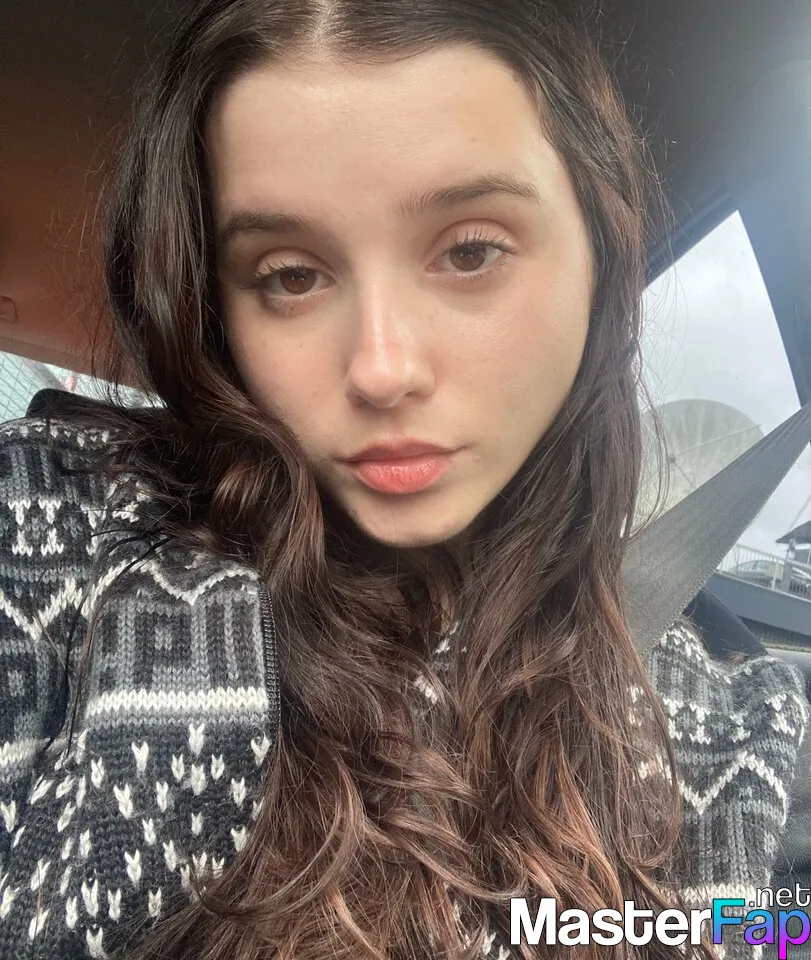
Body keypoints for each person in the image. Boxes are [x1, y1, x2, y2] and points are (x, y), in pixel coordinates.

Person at [0, 1, 807, 958]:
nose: (382, 370)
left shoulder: (745, 725)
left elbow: (770, 928)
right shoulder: (56, 530)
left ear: (597, 256)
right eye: (290, 275)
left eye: (469, 251)